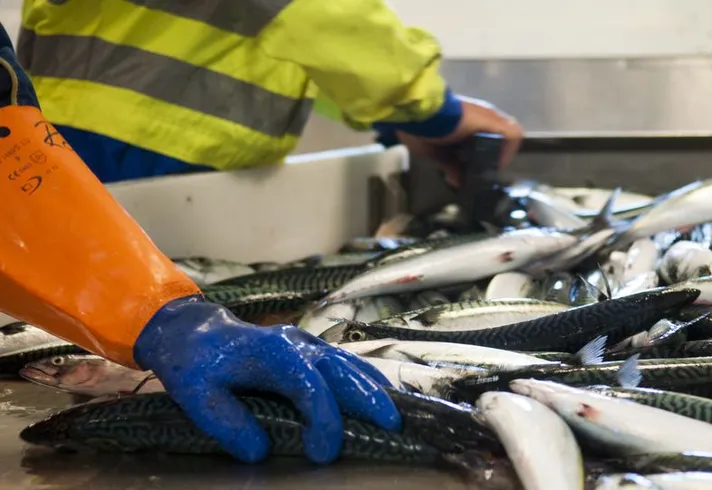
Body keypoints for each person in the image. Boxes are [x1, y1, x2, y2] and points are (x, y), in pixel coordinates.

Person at [0, 17, 458, 465]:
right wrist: (432, 112)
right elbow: (327, 18)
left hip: (72, 160)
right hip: (137, 153)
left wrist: (157, 316)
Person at [14, 0, 524, 185]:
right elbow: (318, 14)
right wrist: (435, 112)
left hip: (92, 134)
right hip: (132, 149)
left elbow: (269, 45)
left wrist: (388, 122)